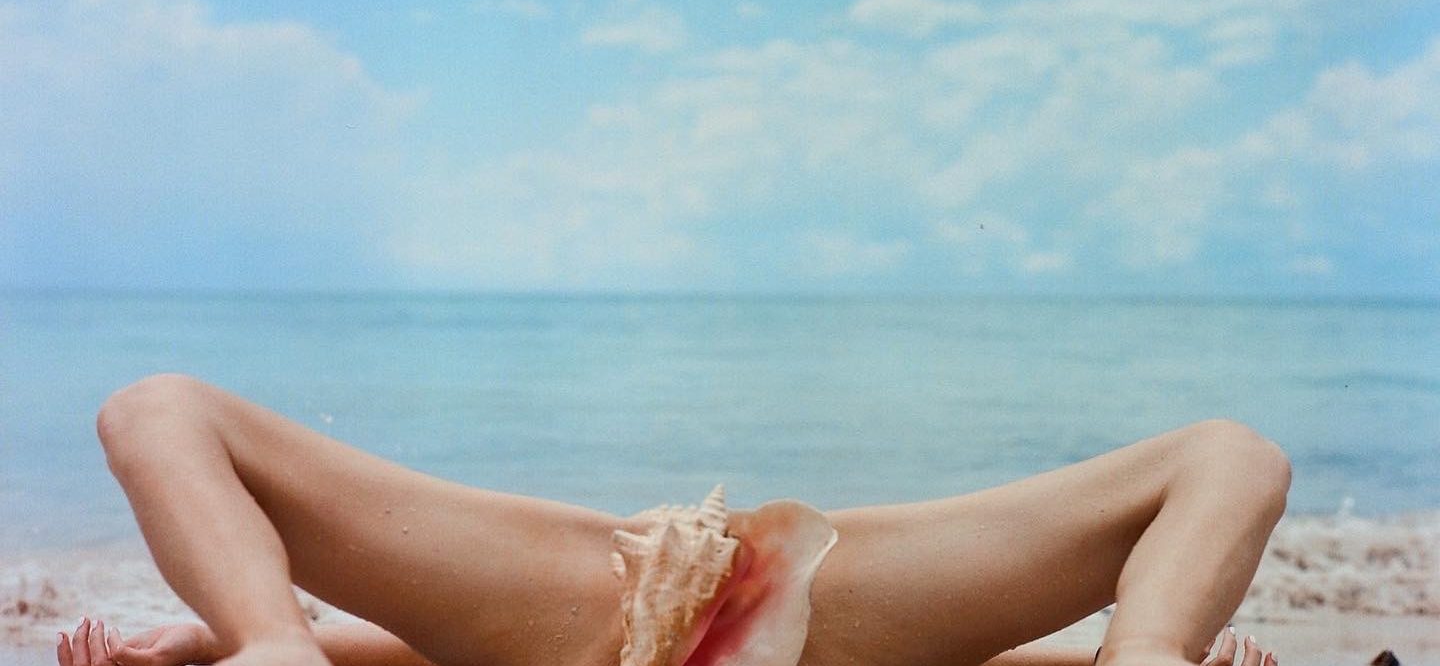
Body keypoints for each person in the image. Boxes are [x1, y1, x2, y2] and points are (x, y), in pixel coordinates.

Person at [57, 373, 1290, 666]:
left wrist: (254, 635)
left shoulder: (571, 630)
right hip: (821, 616)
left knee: (157, 408)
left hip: (591, 618)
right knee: (1230, 453)